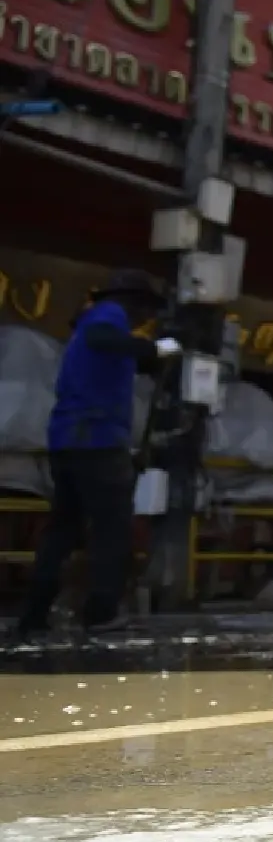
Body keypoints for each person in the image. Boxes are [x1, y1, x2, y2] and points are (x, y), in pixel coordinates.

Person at [15, 269, 179, 639]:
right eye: (144, 310)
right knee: (112, 528)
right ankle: (101, 611)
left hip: (67, 441)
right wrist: (152, 348)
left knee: (63, 528)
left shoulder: (91, 331)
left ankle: (35, 613)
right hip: (98, 441)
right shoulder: (108, 317)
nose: (144, 319)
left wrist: (149, 357)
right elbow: (105, 337)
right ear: (130, 301)